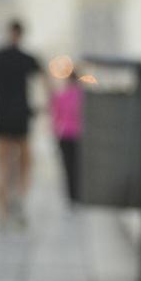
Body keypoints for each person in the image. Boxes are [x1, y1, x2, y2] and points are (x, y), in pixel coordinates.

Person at [0, 19, 40, 228]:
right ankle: (19, 199)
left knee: (2, 166)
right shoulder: (28, 59)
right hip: (21, 117)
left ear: (8, 33)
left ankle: (3, 210)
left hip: (2, 117)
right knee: (25, 164)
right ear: (21, 35)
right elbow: (44, 82)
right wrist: (43, 108)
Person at [50, 69, 84, 208]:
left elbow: (56, 118)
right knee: (79, 166)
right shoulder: (83, 96)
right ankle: (78, 194)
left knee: (68, 167)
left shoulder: (60, 96)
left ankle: (71, 197)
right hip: (80, 136)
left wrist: (55, 134)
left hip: (64, 135)